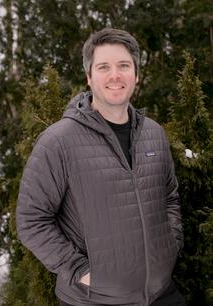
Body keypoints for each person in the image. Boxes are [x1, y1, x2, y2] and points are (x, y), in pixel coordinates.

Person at [16, 28, 186, 306]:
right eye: (103, 67)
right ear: (89, 76)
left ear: (136, 74)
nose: (115, 75)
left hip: (161, 294)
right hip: (93, 299)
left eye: (123, 66)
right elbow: (31, 220)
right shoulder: (58, 141)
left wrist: (171, 244)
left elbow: (169, 196)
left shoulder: (154, 133)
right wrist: (81, 271)